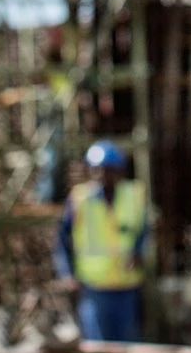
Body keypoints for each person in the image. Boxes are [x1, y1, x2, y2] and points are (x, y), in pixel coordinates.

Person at [54, 140, 147, 342]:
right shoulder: (80, 200)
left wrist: (139, 253)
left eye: (109, 171)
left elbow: (144, 232)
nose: (104, 176)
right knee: (98, 345)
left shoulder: (134, 196)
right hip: (94, 289)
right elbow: (62, 238)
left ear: (119, 172)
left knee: (127, 345)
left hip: (126, 287)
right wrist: (66, 272)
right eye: (98, 171)